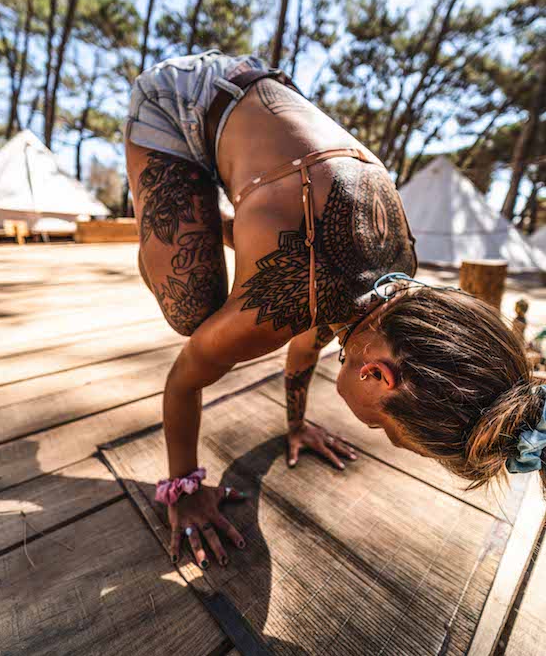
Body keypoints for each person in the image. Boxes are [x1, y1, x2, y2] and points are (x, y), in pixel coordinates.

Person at [125, 49, 545, 570]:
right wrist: (183, 487)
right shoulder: (276, 311)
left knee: (294, 289)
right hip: (183, 99)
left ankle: (229, 224)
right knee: (193, 310)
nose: (375, 431)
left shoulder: (391, 290)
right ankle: (163, 239)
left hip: (261, 105)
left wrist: (296, 425)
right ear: (377, 375)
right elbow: (184, 380)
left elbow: (311, 341)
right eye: (383, 430)